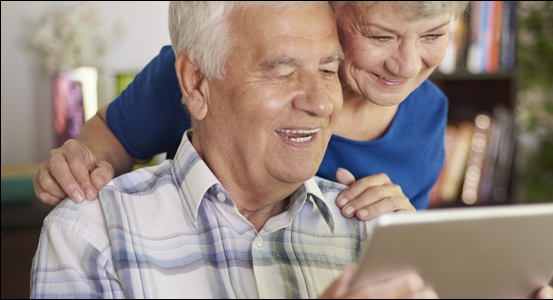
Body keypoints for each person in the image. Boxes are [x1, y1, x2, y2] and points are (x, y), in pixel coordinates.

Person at [30, 2, 437, 298]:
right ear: (194, 83)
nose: (323, 103)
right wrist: (81, 168)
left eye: (329, 70)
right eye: (281, 71)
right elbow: (108, 135)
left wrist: (420, 252)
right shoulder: (91, 236)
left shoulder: (376, 232)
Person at [33, 1, 467, 218]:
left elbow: (400, 254)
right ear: (331, 11)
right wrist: (82, 168)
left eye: (433, 36)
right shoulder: (212, 73)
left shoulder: (429, 114)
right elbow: (113, 135)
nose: (407, 66)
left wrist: (403, 233)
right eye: (380, 36)